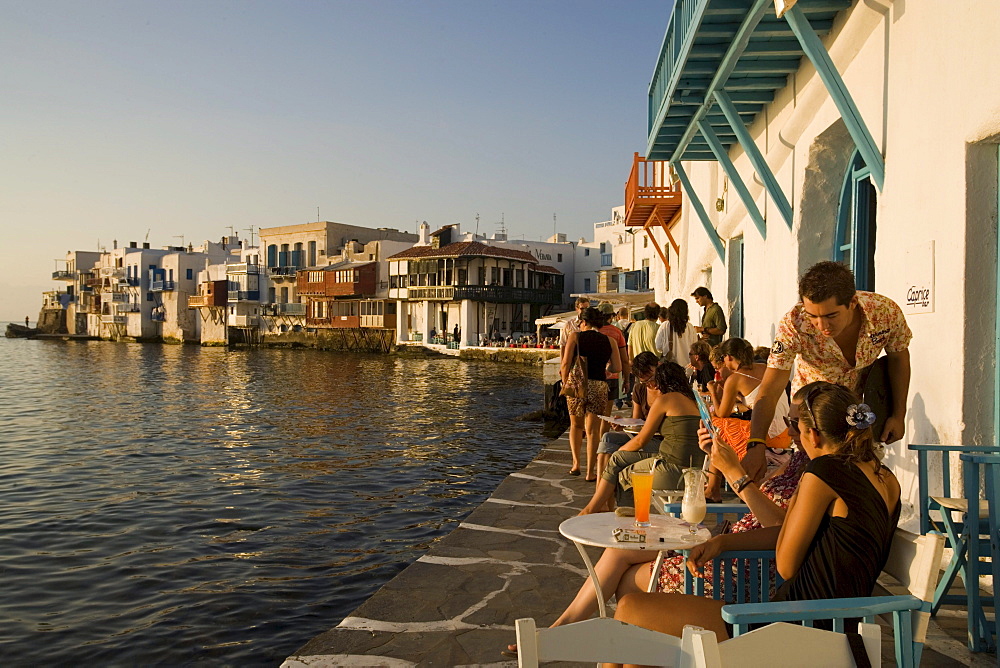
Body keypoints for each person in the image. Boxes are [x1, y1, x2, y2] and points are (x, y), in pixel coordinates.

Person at [613, 381, 901, 642]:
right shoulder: (885, 477)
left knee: (631, 608)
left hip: (800, 625)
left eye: (795, 425)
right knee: (645, 632)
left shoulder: (824, 471)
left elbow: (786, 564)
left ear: (812, 435)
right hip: (837, 620)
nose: (791, 432)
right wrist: (723, 542)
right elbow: (799, 536)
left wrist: (801, 486)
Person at [746, 261, 912, 480]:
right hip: (813, 422)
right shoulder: (794, 324)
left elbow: (899, 358)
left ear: (853, 302)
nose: (821, 325)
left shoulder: (885, 312)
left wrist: (898, 415)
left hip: (860, 417)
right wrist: (756, 443)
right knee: (813, 484)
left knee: (859, 483)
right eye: (812, 316)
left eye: (830, 316)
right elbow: (770, 388)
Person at [579, 362, 703, 515]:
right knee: (621, 459)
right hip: (696, 472)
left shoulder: (666, 400)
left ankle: (626, 516)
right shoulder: (694, 401)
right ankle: (607, 510)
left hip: (673, 471)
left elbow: (640, 441)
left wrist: (620, 451)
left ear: (661, 382)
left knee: (620, 464)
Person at [703, 338, 791, 500]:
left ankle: (713, 488)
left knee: (716, 425)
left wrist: (714, 391)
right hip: (786, 432)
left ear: (728, 357)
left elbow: (721, 413)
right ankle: (713, 487)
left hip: (767, 436)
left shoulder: (734, 379)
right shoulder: (765, 367)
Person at [561, 307, 622, 480]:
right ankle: (590, 472)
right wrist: (607, 369)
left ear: (585, 322)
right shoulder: (609, 341)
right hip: (599, 386)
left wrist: (566, 383)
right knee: (593, 430)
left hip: (577, 385)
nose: (579, 325)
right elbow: (617, 367)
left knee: (576, 425)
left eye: (580, 322)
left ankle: (576, 465)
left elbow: (565, 364)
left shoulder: (575, 337)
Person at [596, 351, 661, 477]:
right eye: (644, 381)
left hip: (658, 438)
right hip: (642, 435)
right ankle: (600, 488)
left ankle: (604, 492)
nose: (650, 384)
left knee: (616, 454)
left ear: (658, 367)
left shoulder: (666, 390)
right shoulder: (639, 389)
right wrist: (624, 424)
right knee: (607, 438)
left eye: (651, 378)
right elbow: (636, 421)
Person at [597, 303, 630, 439]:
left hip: (594, 377)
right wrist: (627, 380)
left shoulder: (594, 331)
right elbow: (624, 360)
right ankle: (601, 443)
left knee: (593, 414)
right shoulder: (617, 333)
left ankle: (593, 441)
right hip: (612, 378)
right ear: (612, 316)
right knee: (606, 414)